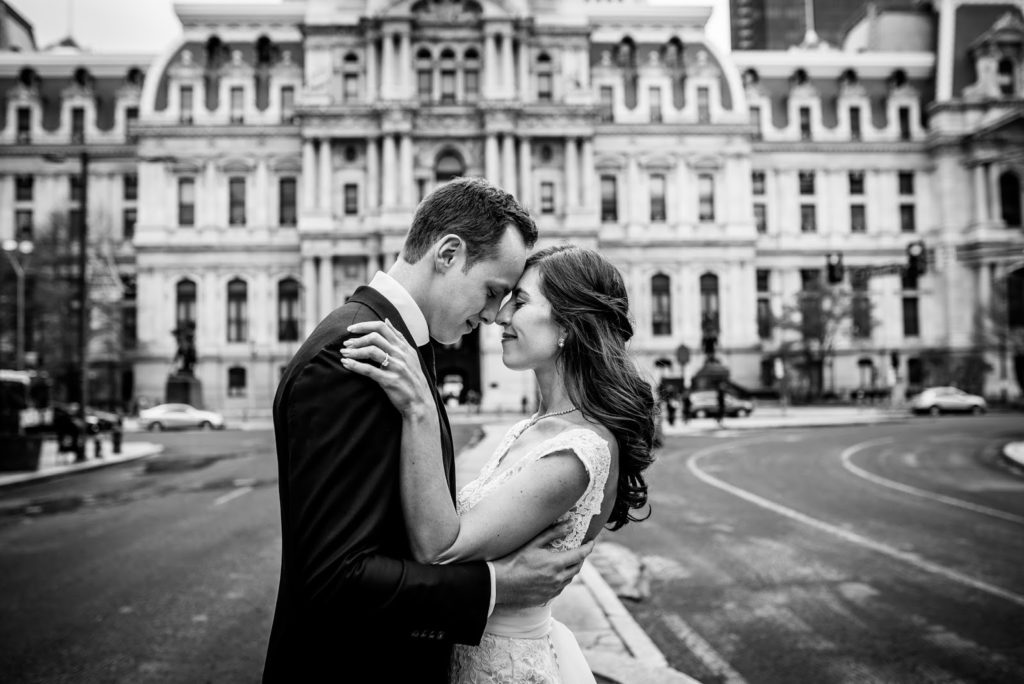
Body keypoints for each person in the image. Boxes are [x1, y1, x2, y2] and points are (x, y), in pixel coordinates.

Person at [265, 179, 593, 682]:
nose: (491, 316)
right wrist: (494, 587)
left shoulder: (396, 349)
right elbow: (336, 577)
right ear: (447, 253)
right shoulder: (352, 356)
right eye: (492, 291)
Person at [342, 245, 657, 682]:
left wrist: (420, 410)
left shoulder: (579, 450)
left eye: (520, 302)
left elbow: (439, 548)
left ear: (568, 324)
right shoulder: (535, 428)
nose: (499, 317)